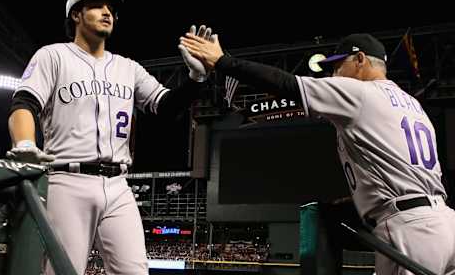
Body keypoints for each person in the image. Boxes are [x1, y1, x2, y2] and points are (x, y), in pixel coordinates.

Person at [180, 29, 455, 274]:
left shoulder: (361, 93)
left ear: (360, 60)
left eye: (338, 66)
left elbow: (286, 84)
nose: (333, 74)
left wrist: (224, 62)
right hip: (445, 223)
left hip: (410, 230)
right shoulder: (413, 105)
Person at [7, 0, 212, 275]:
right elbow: (24, 103)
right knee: (62, 271)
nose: (107, 13)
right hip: (67, 181)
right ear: (76, 14)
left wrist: (195, 80)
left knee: (135, 271)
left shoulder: (128, 68)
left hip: (118, 186)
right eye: (97, 6)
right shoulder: (52, 56)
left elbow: (165, 107)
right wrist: (25, 143)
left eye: (111, 9)